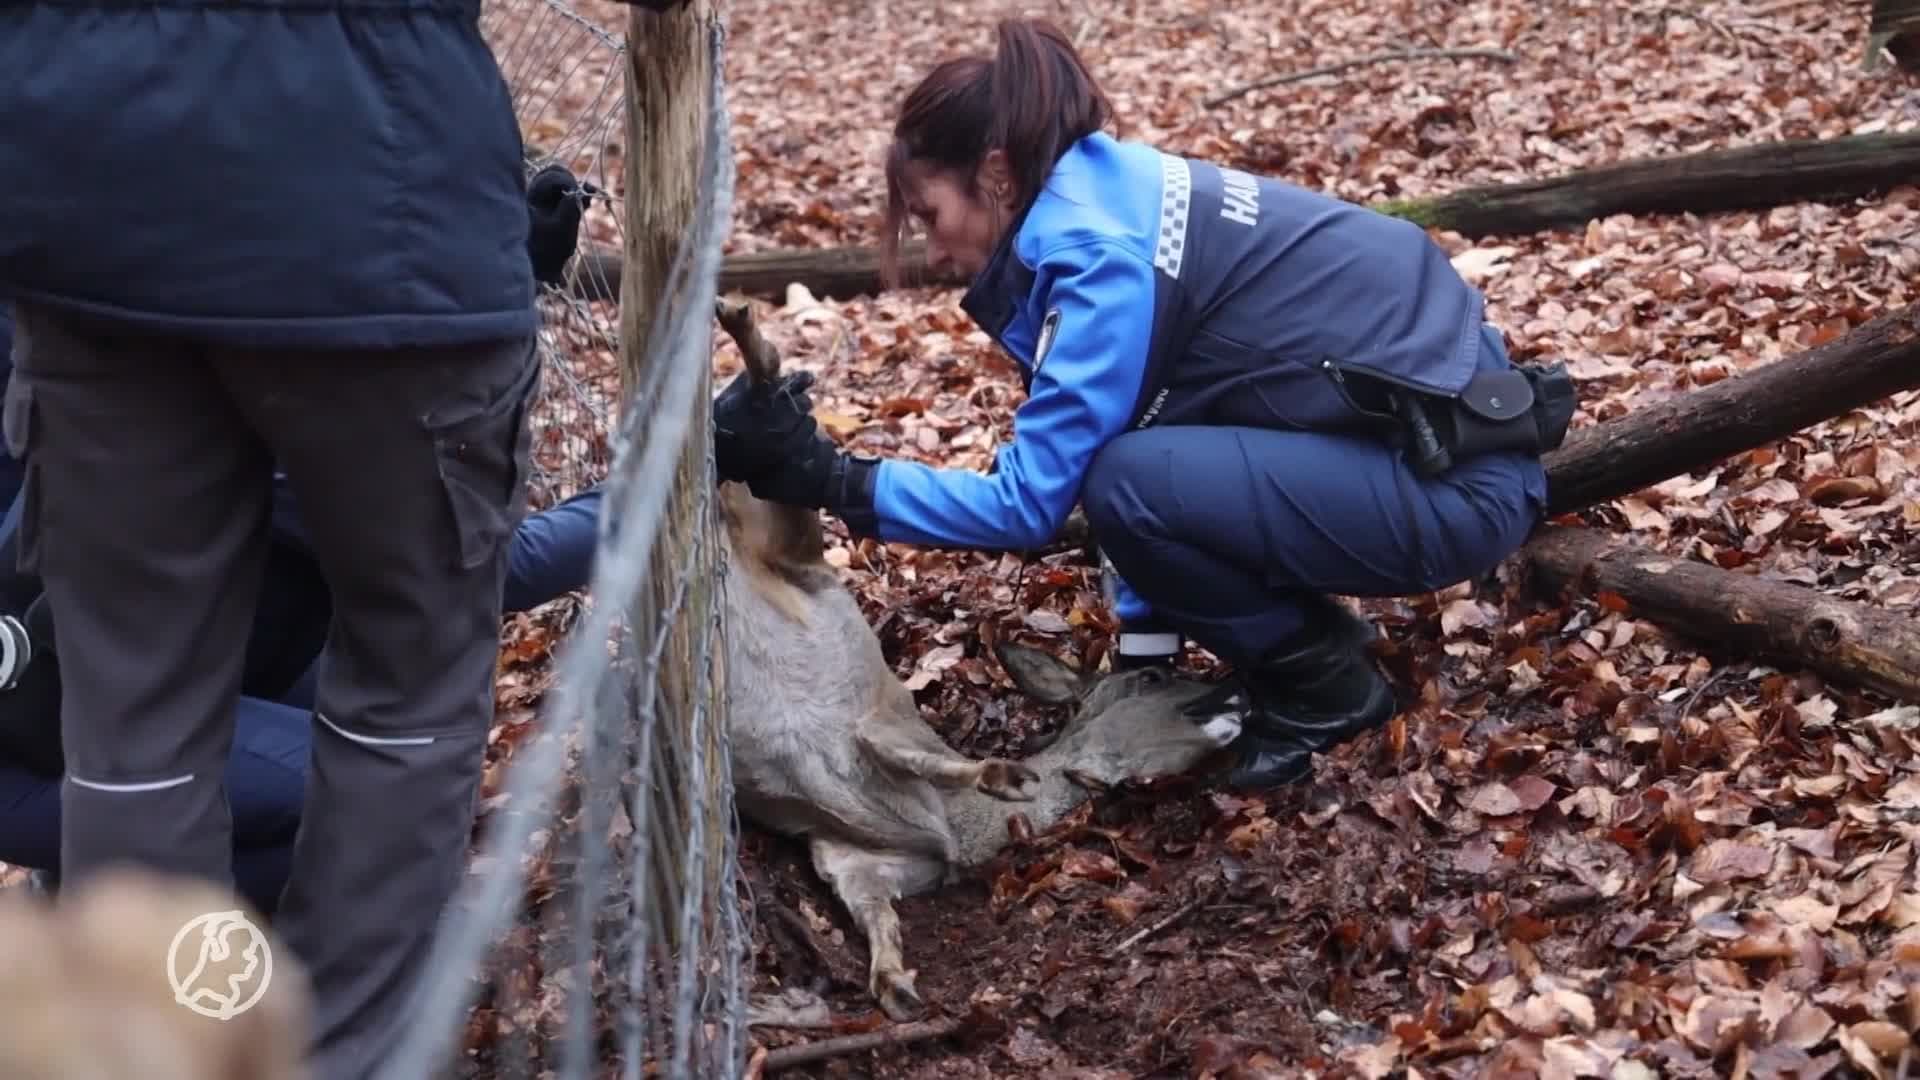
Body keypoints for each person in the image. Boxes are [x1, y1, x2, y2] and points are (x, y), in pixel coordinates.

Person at [0, 2, 636, 1052]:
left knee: (135, 712)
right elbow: (494, 571)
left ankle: (168, 1054)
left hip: (86, 199)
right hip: (386, 200)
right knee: (407, 694)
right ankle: (335, 1053)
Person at [712, 17, 1574, 790]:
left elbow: (1032, 503)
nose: (933, 250)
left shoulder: (1097, 257)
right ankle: (1299, 651)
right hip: (1434, 449)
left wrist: (833, 479)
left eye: (929, 214)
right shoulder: (1107, 185)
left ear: (997, 173)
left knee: (1125, 482)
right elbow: (1160, 419)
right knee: (1131, 474)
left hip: (1452, 487)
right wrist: (1145, 658)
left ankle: (1327, 687)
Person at [0, 474, 603, 916]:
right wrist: (643, 484)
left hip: (120, 688)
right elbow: (494, 573)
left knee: (390, 741)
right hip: (47, 744)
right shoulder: (284, 430)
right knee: (374, 801)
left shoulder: (205, 388)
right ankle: (116, 922)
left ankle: (98, 877)